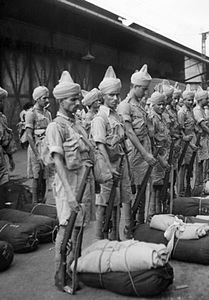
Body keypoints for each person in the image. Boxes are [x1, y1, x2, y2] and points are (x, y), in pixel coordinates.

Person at [44, 71, 94, 289]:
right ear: (61, 101)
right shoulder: (56, 127)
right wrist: (70, 195)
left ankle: (73, 271)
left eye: (76, 99)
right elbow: (57, 162)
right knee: (67, 231)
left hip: (81, 183)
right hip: (68, 187)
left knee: (79, 229)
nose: (77, 103)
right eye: (73, 100)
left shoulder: (76, 124)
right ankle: (60, 276)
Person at [91, 66, 132, 240]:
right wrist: (109, 168)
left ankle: (115, 238)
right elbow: (100, 145)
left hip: (119, 163)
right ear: (103, 97)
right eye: (111, 95)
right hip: (105, 165)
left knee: (118, 202)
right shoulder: (100, 118)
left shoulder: (117, 116)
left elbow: (123, 143)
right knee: (103, 203)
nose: (115, 99)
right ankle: (99, 241)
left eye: (117, 95)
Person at [117, 64, 157, 224]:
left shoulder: (140, 106)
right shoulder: (125, 105)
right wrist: (145, 154)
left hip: (144, 151)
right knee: (131, 190)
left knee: (143, 188)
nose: (146, 93)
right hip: (135, 153)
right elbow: (129, 132)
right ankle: (129, 225)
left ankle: (140, 224)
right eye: (144, 89)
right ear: (135, 86)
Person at [25, 86, 52, 203]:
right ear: (37, 99)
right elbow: (29, 135)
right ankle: (35, 203)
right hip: (35, 148)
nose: (47, 100)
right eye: (44, 98)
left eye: (47, 98)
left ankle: (43, 202)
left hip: (46, 148)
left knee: (45, 177)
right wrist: (37, 155)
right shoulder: (30, 114)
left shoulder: (48, 113)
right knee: (37, 176)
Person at [148, 91, 171, 214]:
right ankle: (153, 214)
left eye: (163, 104)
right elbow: (152, 142)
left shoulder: (161, 117)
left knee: (163, 184)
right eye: (159, 105)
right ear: (153, 105)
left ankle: (160, 212)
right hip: (157, 156)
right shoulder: (152, 118)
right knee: (155, 186)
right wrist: (161, 160)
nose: (162, 107)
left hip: (164, 153)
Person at [177, 84, 196, 195]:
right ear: (183, 100)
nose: (190, 102)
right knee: (182, 167)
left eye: (192, 100)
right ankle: (180, 191)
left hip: (191, 139)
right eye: (188, 100)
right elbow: (180, 129)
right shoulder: (181, 112)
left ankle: (186, 187)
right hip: (184, 142)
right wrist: (186, 139)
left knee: (189, 165)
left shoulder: (190, 111)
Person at [0, 87, 15, 200]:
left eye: (2, 100)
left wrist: (10, 158)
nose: (2, 103)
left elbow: (5, 141)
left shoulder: (2, 118)